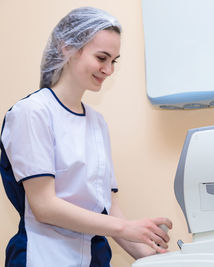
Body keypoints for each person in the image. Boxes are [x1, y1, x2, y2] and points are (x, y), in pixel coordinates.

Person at [0, 7, 172, 267]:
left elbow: (108, 208)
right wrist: (125, 228)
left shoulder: (97, 123)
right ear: (67, 48)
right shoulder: (32, 113)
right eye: (102, 57)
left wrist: (156, 258)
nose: (109, 69)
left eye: (114, 60)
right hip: (42, 257)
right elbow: (44, 206)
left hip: (94, 258)